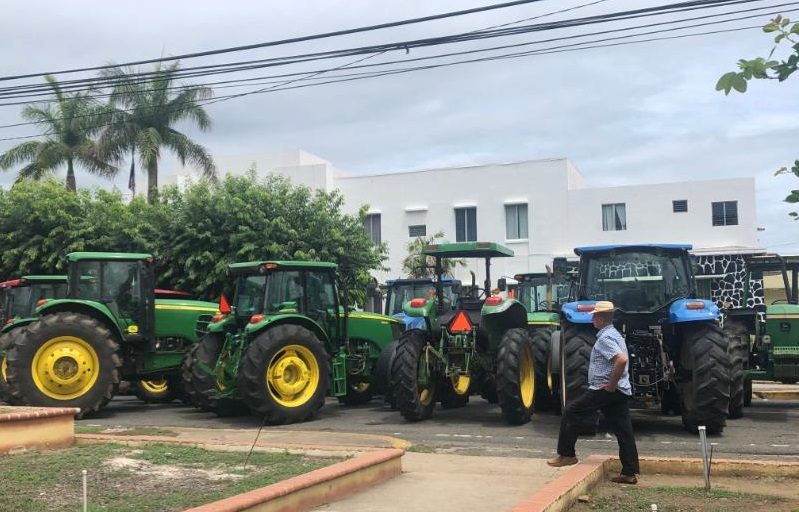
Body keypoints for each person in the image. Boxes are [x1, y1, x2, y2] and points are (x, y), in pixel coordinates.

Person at [547, 300, 640, 484]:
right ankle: (629, 472)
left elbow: (620, 360)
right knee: (624, 431)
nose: (592, 319)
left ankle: (567, 454)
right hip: (620, 390)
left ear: (603, 318)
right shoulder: (616, 334)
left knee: (571, 411)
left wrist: (611, 385)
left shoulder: (605, 338)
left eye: (595, 316)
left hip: (605, 389)